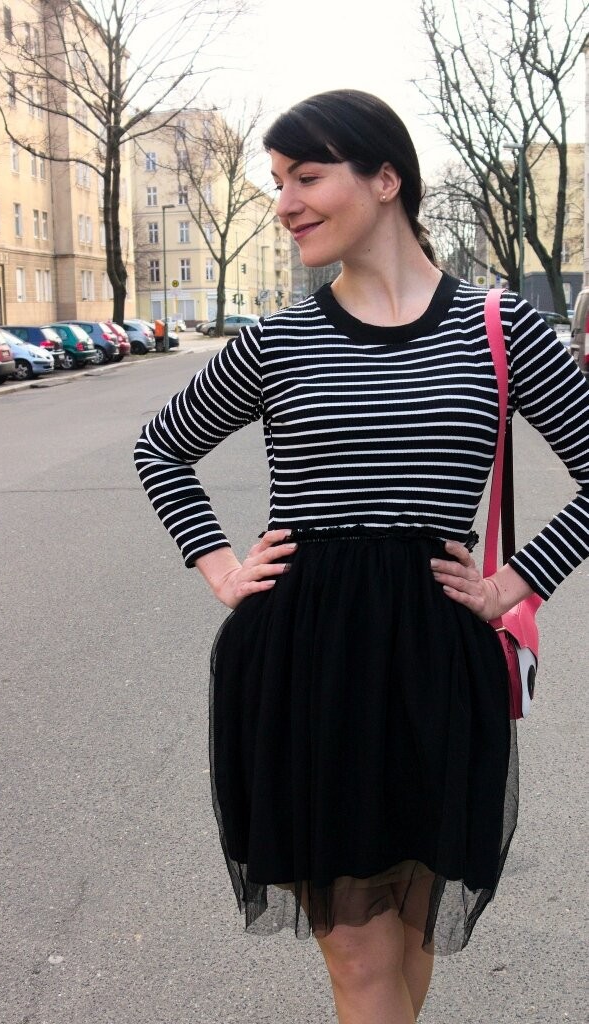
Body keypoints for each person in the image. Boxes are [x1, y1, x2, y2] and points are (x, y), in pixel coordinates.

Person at [134, 90, 589, 1022]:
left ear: (386, 180)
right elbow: (160, 447)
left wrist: (514, 580)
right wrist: (218, 564)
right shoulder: (278, 340)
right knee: (361, 963)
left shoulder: (501, 331)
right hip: (306, 667)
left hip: (436, 666)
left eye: (305, 176)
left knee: (410, 945)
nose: (284, 202)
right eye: (275, 182)